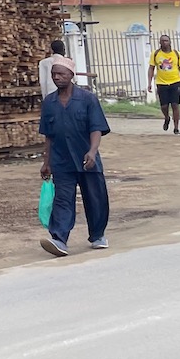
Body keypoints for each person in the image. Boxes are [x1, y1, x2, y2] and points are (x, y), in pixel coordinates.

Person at [39, 55, 111, 256]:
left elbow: (96, 128)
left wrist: (92, 151)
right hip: (62, 161)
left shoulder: (87, 99)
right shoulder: (49, 103)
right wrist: (47, 163)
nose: (56, 78)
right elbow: (48, 136)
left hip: (87, 160)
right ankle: (59, 239)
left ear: (71, 75)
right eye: (54, 74)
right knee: (62, 199)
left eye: (61, 74)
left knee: (95, 198)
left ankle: (97, 235)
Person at [148, 34, 180, 133]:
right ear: (159, 42)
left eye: (166, 41)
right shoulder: (156, 54)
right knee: (164, 106)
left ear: (170, 42)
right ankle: (166, 117)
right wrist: (149, 82)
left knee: (175, 105)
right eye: (162, 41)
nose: (164, 43)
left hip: (175, 82)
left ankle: (176, 127)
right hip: (161, 83)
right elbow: (151, 68)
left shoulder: (177, 54)